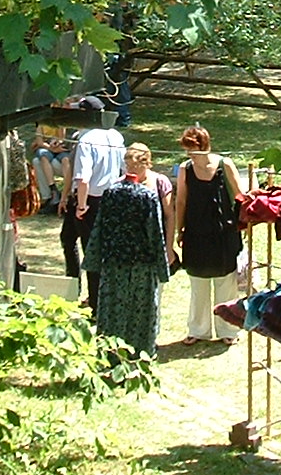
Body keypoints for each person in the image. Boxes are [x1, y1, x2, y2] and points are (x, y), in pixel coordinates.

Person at [84, 147, 171, 356]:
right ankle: (140, 355)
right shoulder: (147, 197)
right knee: (140, 312)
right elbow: (155, 233)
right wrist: (162, 267)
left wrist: (93, 262)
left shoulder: (110, 193)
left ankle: (111, 354)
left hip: (114, 262)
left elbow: (98, 230)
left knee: (113, 309)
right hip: (142, 264)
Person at [174, 125, 245, 344]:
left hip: (224, 232)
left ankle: (228, 331)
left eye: (192, 149)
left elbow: (240, 196)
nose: (189, 154)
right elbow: (181, 200)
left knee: (226, 283)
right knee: (198, 283)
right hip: (196, 232)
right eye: (187, 150)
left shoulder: (225, 164)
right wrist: (180, 229)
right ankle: (198, 330)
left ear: (203, 146)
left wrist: (244, 223)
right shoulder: (185, 169)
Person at [61, 123, 125, 311]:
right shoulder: (115, 135)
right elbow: (123, 167)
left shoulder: (86, 140)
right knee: (68, 238)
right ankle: (73, 287)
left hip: (89, 199)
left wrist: (81, 206)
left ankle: (95, 302)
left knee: (91, 250)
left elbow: (83, 178)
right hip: (107, 197)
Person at [31, 128, 74, 213]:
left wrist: (57, 144)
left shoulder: (62, 124)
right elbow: (39, 142)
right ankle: (51, 195)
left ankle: (68, 195)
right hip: (50, 150)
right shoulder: (41, 125)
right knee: (37, 161)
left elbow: (62, 138)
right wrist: (51, 148)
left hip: (63, 153)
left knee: (66, 160)